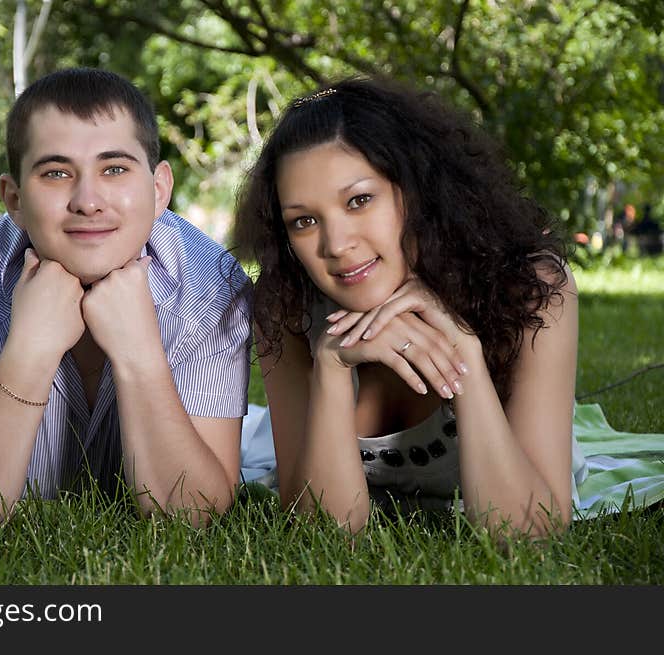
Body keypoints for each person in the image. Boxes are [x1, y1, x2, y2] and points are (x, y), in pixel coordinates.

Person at [0, 68, 251, 529]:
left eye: (115, 169)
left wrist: (139, 353)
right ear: (15, 199)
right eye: (57, 172)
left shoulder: (212, 286)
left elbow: (192, 514)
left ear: (159, 189)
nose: (88, 200)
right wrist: (29, 351)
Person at [232, 77, 579, 537]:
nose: (336, 245)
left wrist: (466, 358)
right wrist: (332, 366)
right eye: (305, 221)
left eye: (359, 200)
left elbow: (529, 532)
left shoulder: (529, 287)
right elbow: (321, 532)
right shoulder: (288, 304)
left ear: (415, 192)